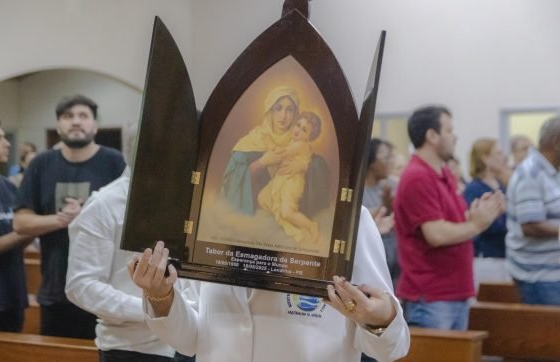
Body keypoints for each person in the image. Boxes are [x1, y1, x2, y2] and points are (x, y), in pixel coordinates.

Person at [128, 206, 410, 362]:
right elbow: (189, 341)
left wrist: (380, 319)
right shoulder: (209, 216)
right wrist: (160, 296)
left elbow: (390, 349)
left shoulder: (347, 219)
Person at [65, 122, 194, 361]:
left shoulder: (189, 199)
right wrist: (156, 308)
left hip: (192, 343)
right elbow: (81, 286)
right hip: (133, 349)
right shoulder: (104, 204)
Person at [14, 94, 126, 339]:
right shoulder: (41, 164)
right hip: (55, 288)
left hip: (104, 291)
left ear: (94, 125)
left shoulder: (114, 162)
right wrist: (62, 219)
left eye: (83, 116)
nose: (76, 122)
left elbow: (127, 222)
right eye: (68, 116)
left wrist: (85, 215)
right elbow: (20, 223)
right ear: (58, 125)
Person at [394, 105, 505, 330]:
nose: (455, 137)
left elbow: (451, 221)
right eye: (449, 130)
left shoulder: (443, 173)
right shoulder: (418, 176)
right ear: (432, 135)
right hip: (433, 295)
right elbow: (436, 234)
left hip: (453, 292)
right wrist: (477, 224)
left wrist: (478, 213)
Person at [220, 86, 328, 218]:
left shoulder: (299, 140)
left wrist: (305, 167)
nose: (283, 116)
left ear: (295, 113)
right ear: (270, 111)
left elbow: (319, 167)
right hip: (254, 216)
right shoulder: (254, 139)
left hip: (283, 217)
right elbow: (232, 181)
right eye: (278, 108)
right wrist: (262, 162)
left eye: (289, 110)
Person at [0, 116, 34, 332]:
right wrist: (27, 230)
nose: (8, 143)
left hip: (13, 295)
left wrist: (34, 228)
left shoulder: (10, 188)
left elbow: (22, 238)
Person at [505, 117, 560, 305]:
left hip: (552, 272)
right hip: (540, 277)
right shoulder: (531, 173)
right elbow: (530, 225)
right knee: (550, 333)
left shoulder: (553, 172)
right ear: (556, 142)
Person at [258, 111, 321, 244]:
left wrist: (269, 141)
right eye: (298, 125)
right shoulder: (294, 141)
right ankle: (290, 224)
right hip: (282, 179)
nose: (298, 130)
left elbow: (281, 153)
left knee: (286, 212)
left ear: (309, 137)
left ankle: (310, 226)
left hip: (292, 183)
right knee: (263, 198)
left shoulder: (300, 145)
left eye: (304, 130)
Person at [463, 138, 511, 288]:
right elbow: (487, 225)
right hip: (487, 258)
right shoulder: (474, 189)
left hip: (505, 256)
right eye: (498, 153)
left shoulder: (501, 186)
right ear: (485, 158)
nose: (503, 157)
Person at [362, 138, 399, 284]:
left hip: (396, 261)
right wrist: (384, 206)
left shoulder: (393, 184)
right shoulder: (357, 190)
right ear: (371, 161)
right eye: (385, 157)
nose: (390, 162)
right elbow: (360, 218)